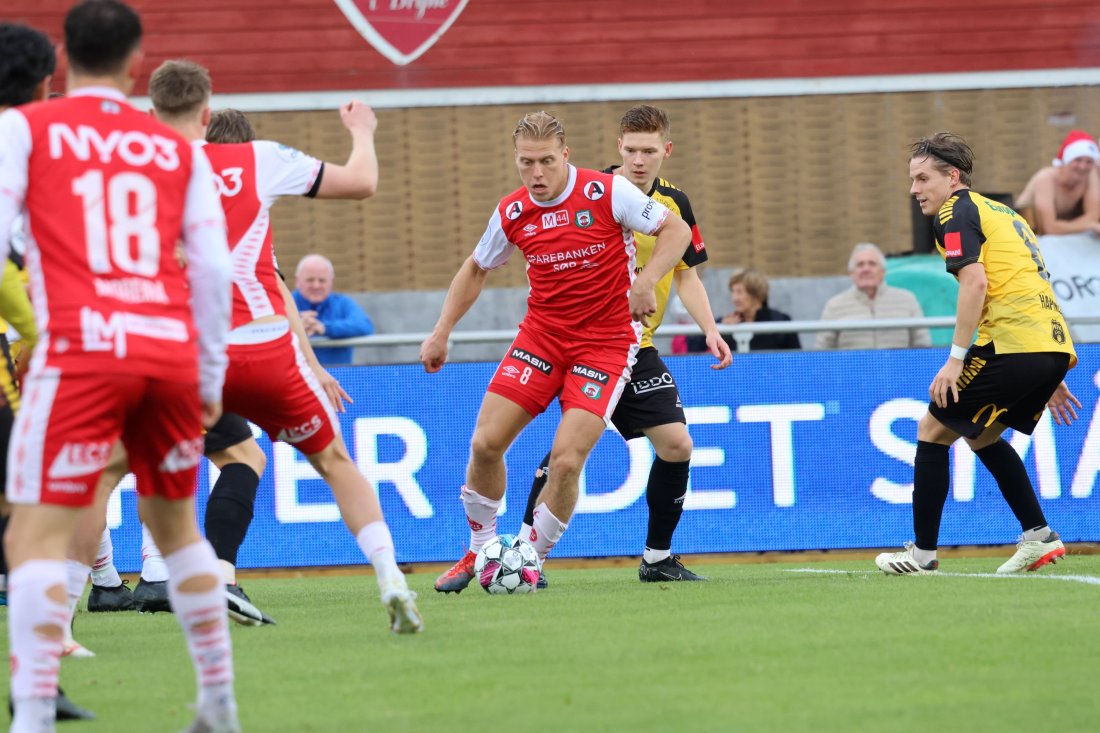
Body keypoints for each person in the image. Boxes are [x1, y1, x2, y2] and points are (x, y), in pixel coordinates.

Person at [0, 3, 240, 732]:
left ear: (61, 62)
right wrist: (206, 377)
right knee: (175, 527)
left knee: (32, 533)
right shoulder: (171, 148)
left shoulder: (25, 128)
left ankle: (36, 710)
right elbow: (210, 268)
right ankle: (218, 702)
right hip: (165, 348)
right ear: (137, 62)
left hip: (80, 348)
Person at [145, 59, 422, 633]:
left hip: (186, 356)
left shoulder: (134, 171)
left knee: (113, 474)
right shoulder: (259, 158)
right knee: (335, 463)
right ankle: (390, 577)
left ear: (152, 113)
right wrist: (362, 131)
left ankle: (63, 625)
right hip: (265, 347)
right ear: (206, 110)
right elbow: (362, 182)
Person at [421, 110, 692, 594]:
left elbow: (677, 232)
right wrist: (441, 331)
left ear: (565, 155)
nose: (537, 174)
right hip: (541, 338)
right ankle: (482, 550)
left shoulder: (605, 192)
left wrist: (645, 281)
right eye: (526, 164)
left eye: (546, 161)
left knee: (566, 461)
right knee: (485, 444)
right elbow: (477, 267)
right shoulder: (512, 211)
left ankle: (529, 559)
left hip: (607, 343)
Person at [513, 105, 732, 588]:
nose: (638, 160)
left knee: (676, 445)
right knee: (567, 455)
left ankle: (657, 558)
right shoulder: (595, 192)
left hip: (640, 346)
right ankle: (526, 556)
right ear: (618, 149)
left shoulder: (676, 204)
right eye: (630, 150)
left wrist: (711, 329)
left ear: (665, 152)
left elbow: (687, 274)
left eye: (649, 151)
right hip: (591, 343)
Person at [875, 132, 1081, 577]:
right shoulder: (1004, 212)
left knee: (933, 427)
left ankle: (922, 556)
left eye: (922, 178)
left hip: (1013, 342)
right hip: (1048, 343)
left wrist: (955, 359)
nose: (914, 189)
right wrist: (1047, 367)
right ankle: (1038, 536)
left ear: (953, 177)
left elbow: (977, 283)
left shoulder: (954, 211)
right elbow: (1026, 280)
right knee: (980, 435)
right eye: (912, 179)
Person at [0, 19, 96, 725]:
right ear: (43, 83)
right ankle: (37, 680)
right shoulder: (29, 147)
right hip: (17, 354)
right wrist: (37, 328)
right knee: (33, 516)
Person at [815, 243, 932, 350]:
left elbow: (922, 345)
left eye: (872, 264)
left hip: (898, 371)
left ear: (883, 271)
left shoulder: (907, 300)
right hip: (851, 372)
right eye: (860, 265)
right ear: (851, 273)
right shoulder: (834, 306)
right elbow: (822, 351)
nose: (866, 269)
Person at [686, 268, 800, 353]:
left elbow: (796, 359)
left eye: (740, 292)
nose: (734, 298)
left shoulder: (780, 321)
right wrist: (723, 331)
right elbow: (693, 348)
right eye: (733, 292)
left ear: (756, 294)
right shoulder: (726, 322)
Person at [292, 253, 375, 365]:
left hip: (338, 377)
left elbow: (364, 325)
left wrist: (325, 328)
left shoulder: (342, 302)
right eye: (310, 280)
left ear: (331, 282)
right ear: (297, 281)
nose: (316, 285)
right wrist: (294, 326)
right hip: (294, 378)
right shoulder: (285, 302)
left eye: (322, 280)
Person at [1014, 129, 1100, 235]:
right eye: (1077, 160)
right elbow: (1048, 228)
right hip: (1029, 234)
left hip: (1060, 237)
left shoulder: (1089, 175)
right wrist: (1087, 225)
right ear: (1066, 160)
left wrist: (1066, 227)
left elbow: (1093, 216)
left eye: (1089, 162)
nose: (1083, 166)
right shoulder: (1045, 178)